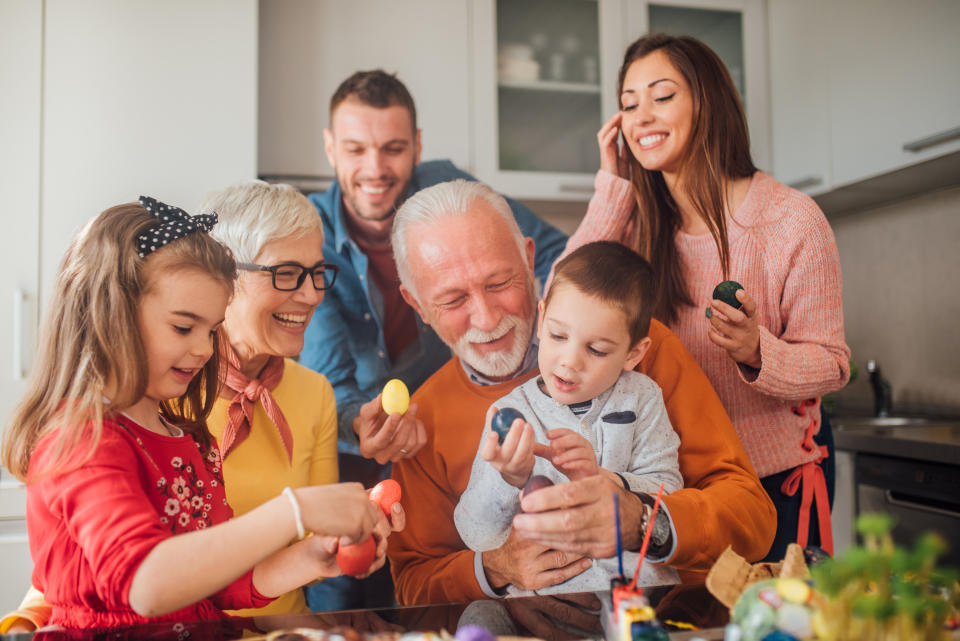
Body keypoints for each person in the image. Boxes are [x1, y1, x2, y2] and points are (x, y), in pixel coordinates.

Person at [0, 182, 407, 631]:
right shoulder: (85, 438)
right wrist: (298, 509)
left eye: (211, 330)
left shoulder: (186, 433)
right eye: (183, 328)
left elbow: (216, 582)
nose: (202, 349)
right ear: (113, 315)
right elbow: (145, 582)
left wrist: (312, 557)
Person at [386, 179, 776, 606]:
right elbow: (413, 585)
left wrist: (643, 521)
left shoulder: (638, 351)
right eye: (453, 298)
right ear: (417, 305)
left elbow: (752, 516)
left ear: (529, 259)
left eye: (499, 283)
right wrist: (494, 569)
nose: (485, 316)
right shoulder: (422, 423)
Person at [561, 33, 850, 560]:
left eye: (662, 96)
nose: (641, 115)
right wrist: (612, 185)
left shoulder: (791, 220)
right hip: (672, 487)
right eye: (629, 104)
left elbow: (831, 365)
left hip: (773, 483)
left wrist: (756, 351)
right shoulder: (642, 229)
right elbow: (563, 304)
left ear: (707, 102)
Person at [298, 69, 566, 611]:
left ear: (417, 146)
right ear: (330, 148)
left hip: (445, 462)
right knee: (347, 603)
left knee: (442, 601)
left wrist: (562, 340)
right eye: (355, 149)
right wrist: (360, 425)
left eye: (394, 149)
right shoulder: (312, 237)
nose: (375, 169)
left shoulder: (449, 190)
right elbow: (331, 382)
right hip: (355, 478)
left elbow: (563, 251)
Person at [455, 241, 683, 594]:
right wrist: (508, 477)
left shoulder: (642, 396)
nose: (569, 361)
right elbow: (475, 533)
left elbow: (671, 493)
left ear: (633, 353)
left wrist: (604, 478)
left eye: (597, 350)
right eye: (558, 335)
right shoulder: (508, 414)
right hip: (543, 606)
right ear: (542, 319)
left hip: (640, 601)